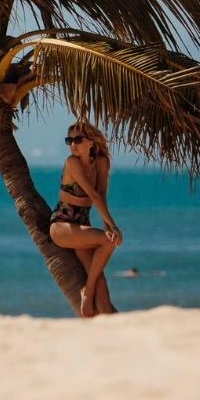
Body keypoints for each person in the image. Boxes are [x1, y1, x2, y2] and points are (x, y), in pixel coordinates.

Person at [47, 120, 122, 317]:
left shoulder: (101, 163)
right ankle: (87, 292)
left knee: (101, 282)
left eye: (78, 139)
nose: (73, 144)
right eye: (69, 140)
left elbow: (102, 198)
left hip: (82, 227)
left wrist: (109, 226)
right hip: (62, 226)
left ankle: (104, 326)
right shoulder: (72, 163)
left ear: (90, 142)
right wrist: (113, 228)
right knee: (107, 241)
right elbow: (93, 196)